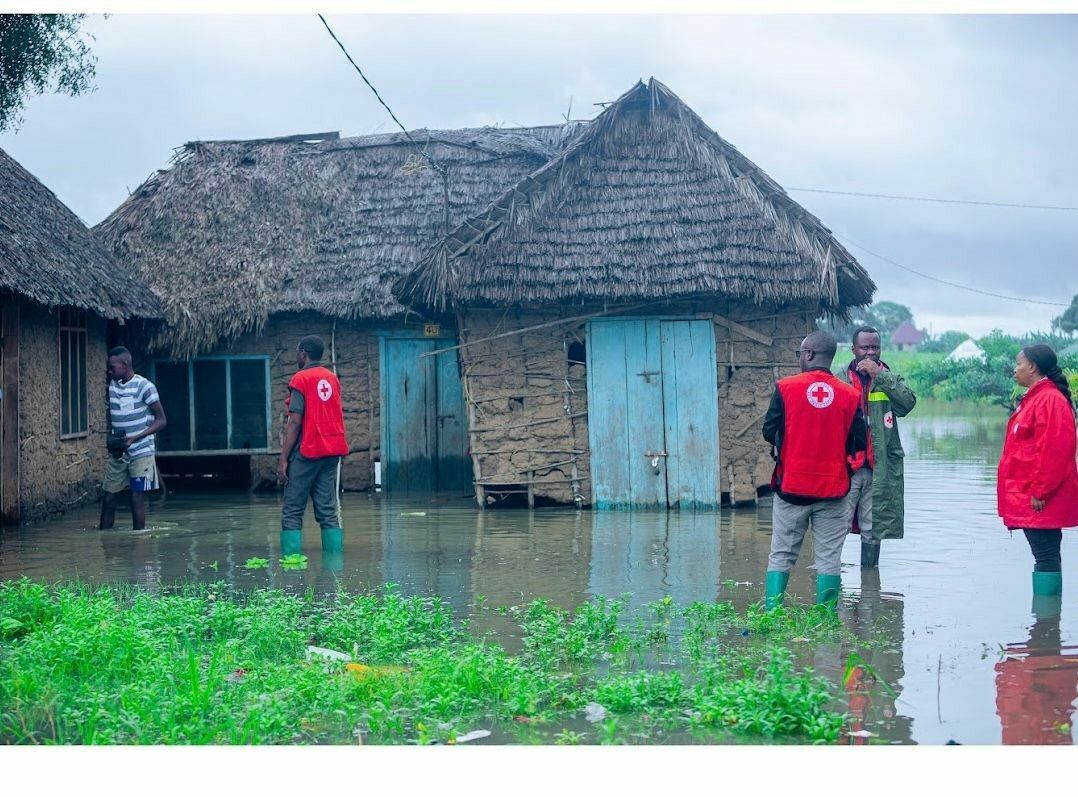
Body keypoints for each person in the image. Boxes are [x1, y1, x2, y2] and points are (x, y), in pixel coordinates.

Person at [762, 331, 866, 608]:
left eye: (800, 353)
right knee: (829, 557)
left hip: (790, 489)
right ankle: (826, 619)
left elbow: (768, 431)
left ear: (808, 354)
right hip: (834, 492)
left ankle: (771, 615)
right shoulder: (851, 395)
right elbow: (858, 443)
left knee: (781, 553)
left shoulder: (785, 388)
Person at [997, 344, 1078, 597]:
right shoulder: (1037, 397)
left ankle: (1045, 625)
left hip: (1041, 496)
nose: (1015, 369)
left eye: (1019, 363)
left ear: (1032, 366)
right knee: (1045, 556)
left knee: (1045, 556)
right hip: (1032, 494)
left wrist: (1041, 491)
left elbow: (1055, 450)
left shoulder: (1049, 399)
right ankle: (1047, 627)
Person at [839, 326, 917, 568]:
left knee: (873, 527)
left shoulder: (888, 377)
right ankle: (831, 587)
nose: (870, 353)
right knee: (836, 523)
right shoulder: (839, 378)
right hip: (847, 465)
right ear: (854, 350)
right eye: (865, 348)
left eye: (875, 347)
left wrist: (879, 375)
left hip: (878, 465)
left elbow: (907, 404)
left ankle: (870, 587)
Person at [278, 335, 349, 555]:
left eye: (297, 352)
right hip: (332, 452)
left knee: (292, 510)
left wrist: (282, 459)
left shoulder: (300, 379)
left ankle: (291, 568)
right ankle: (334, 567)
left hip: (308, 451)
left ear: (303, 353)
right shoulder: (332, 378)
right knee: (327, 510)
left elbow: (295, 421)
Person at [100, 346, 167, 531]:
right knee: (109, 497)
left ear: (125, 364)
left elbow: (161, 421)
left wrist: (136, 437)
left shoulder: (145, 387)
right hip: (119, 453)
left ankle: (139, 544)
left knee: (136, 497)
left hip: (142, 453)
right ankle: (105, 543)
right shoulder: (113, 384)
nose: (110, 371)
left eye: (113, 367)